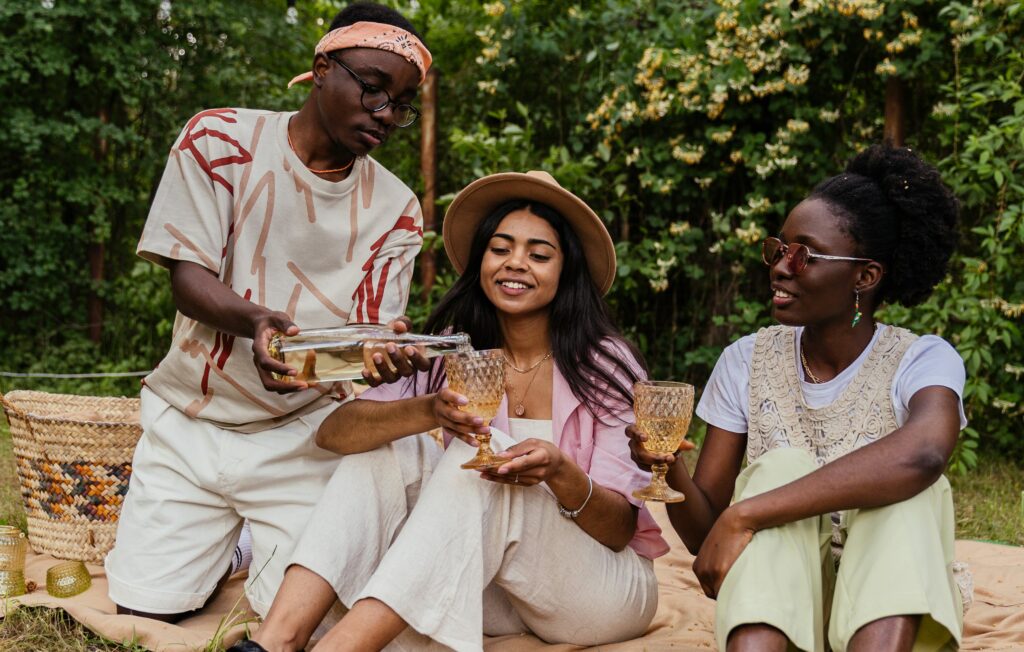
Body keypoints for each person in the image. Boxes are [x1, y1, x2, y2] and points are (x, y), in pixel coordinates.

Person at [227, 171, 671, 652]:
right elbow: (335, 435)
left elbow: (619, 529)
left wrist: (559, 472)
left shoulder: (601, 362)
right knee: (390, 449)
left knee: (489, 457)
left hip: (598, 593)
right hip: (496, 593)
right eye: (500, 249)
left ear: (567, 272)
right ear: (481, 259)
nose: (515, 264)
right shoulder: (454, 348)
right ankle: (274, 643)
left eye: (539, 255)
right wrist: (429, 411)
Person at [105, 2, 434, 622]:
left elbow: (360, 343)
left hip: (303, 439)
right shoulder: (220, 139)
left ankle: (254, 539)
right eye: (373, 88)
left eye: (402, 102)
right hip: (190, 424)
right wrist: (258, 321)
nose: (387, 114)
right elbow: (187, 275)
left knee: (302, 623)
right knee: (148, 609)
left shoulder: (397, 208)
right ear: (320, 68)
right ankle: (224, 548)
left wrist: (374, 360)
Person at [629, 144, 966, 652]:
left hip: (890, 610)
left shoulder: (923, 360)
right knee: (778, 467)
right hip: (778, 610)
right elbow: (707, 541)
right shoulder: (747, 360)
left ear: (865, 276)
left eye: (805, 254)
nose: (782, 267)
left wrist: (751, 512)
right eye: (779, 248)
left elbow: (924, 455)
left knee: (912, 490)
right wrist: (668, 466)